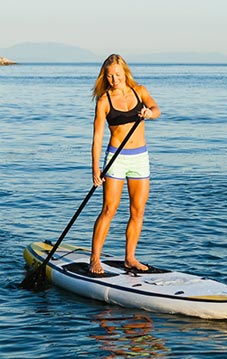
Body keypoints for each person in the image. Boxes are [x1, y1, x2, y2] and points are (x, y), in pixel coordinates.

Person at [90, 54, 160, 274]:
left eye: (118, 74)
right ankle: (95, 259)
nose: (114, 79)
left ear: (125, 73)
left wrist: (150, 113)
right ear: (105, 76)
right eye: (109, 75)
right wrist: (95, 168)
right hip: (116, 159)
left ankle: (129, 258)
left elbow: (157, 110)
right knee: (109, 209)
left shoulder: (140, 91)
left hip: (140, 158)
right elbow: (97, 137)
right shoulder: (104, 101)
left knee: (138, 211)